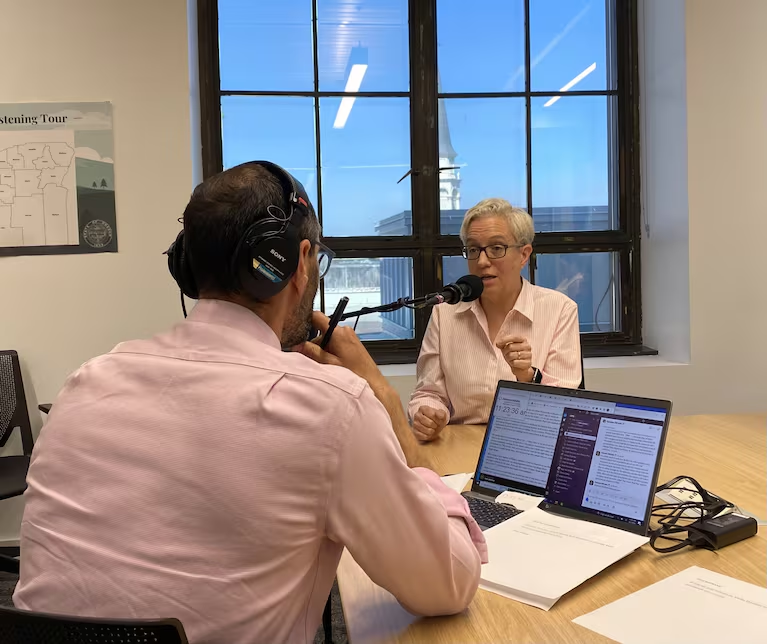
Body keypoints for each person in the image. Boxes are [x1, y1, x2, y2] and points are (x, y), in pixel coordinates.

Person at [13, 162, 487, 644]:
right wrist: (384, 401)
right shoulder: (332, 409)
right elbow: (447, 584)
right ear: (297, 261)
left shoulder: (84, 385)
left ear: (186, 266)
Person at [409, 198, 582, 441]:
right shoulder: (445, 312)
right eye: (473, 249)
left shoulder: (559, 310)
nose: (481, 261)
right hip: (460, 443)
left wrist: (527, 375)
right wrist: (428, 415)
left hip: (528, 445)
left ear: (524, 254)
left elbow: (566, 406)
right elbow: (428, 393)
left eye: (496, 248)